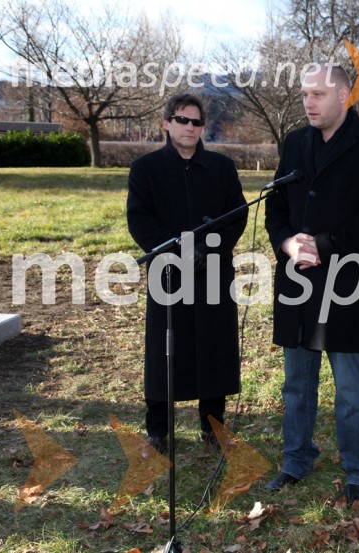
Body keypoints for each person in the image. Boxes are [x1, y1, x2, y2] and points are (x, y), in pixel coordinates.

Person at [264, 63, 359, 503]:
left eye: (318, 94)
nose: (308, 102)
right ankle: (296, 460)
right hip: (296, 277)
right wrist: (286, 244)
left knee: (350, 384)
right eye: (305, 93)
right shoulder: (295, 142)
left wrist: (323, 245)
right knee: (296, 382)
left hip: (344, 278)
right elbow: (276, 207)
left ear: (344, 95)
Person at [127, 93, 247, 454]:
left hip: (212, 271)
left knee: (213, 348)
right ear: (166, 123)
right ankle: (158, 429)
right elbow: (140, 218)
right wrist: (175, 249)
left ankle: (213, 427)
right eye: (182, 120)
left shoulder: (222, 169)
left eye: (196, 122)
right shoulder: (145, 169)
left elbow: (237, 214)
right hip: (167, 273)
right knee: (166, 349)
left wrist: (208, 247)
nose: (190, 127)